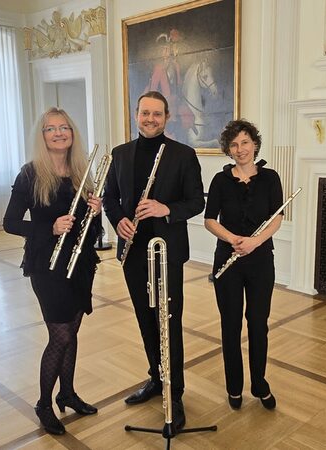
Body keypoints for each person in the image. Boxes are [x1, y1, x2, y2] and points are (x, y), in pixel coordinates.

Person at [103, 91, 205, 432]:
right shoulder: (120, 154)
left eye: (157, 114)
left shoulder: (183, 155)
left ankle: (174, 394)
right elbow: (110, 198)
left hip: (167, 252)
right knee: (146, 319)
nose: (150, 119)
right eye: (145, 113)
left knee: (168, 321)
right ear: (136, 114)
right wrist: (118, 220)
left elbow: (196, 202)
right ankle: (155, 378)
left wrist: (166, 209)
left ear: (167, 117)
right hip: (133, 251)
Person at [3, 107, 101, 435]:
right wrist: (50, 227)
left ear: (72, 134)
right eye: (50, 129)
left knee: (72, 332)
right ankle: (44, 402)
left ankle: (68, 393)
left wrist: (96, 212)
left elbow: (91, 229)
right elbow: (10, 223)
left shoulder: (81, 173)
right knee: (60, 334)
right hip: (47, 264)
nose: (59, 133)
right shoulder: (29, 175)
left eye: (64, 128)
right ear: (42, 136)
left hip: (80, 262)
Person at [204, 119, 283, 411]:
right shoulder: (220, 181)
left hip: (261, 259)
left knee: (258, 324)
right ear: (228, 149)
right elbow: (210, 219)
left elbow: (277, 217)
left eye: (245, 142)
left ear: (255, 144)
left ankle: (260, 384)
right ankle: (234, 387)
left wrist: (255, 242)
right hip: (228, 259)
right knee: (230, 325)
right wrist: (233, 238)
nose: (240, 149)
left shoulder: (271, 178)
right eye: (234, 144)